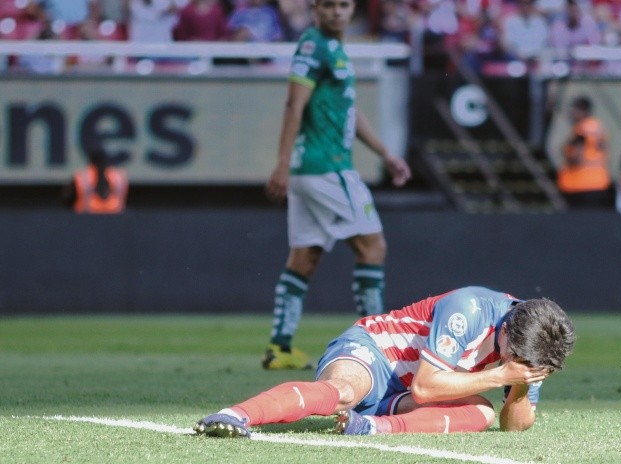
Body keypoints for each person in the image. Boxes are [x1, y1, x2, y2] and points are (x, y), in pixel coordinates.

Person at [194, 286, 576, 437]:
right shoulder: (471, 308)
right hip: (376, 354)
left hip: (403, 394)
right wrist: (500, 376)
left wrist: (520, 384)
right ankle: (234, 415)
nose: (519, 364)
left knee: (484, 413)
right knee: (344, 392)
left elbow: (515, 427)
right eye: (517, 359)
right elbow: (425, 387)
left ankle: (371, 427)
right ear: (506, 331)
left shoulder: (532, 348)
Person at [262, 0, 412, 370]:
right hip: (327, 167)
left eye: (343, 5)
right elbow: (293, 105)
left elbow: (348, 112)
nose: (336, 12)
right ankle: (378, 345)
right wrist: (281, 162)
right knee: (373, 247)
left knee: (305, 256)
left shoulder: (334, 49)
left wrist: (384, 153)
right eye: (328, 5)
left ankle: (279, 347)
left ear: (352, 9)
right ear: (316, 9)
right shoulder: (315, 46)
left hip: (308, 171)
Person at [557, 95, 612, 209]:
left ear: (583, 111)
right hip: (599, 183)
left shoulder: (582, 129)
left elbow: (575, 156)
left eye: (574, 109)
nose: (571, 113)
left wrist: (565, 151)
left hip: (580, 186)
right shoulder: (598, 127)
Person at [62, 148, 129, 214]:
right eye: (99, 162)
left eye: (102, 162)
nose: (101, 165)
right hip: (85, 218)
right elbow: (66, 198)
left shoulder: (118, 177)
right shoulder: (82, 178)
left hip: (116, 218)